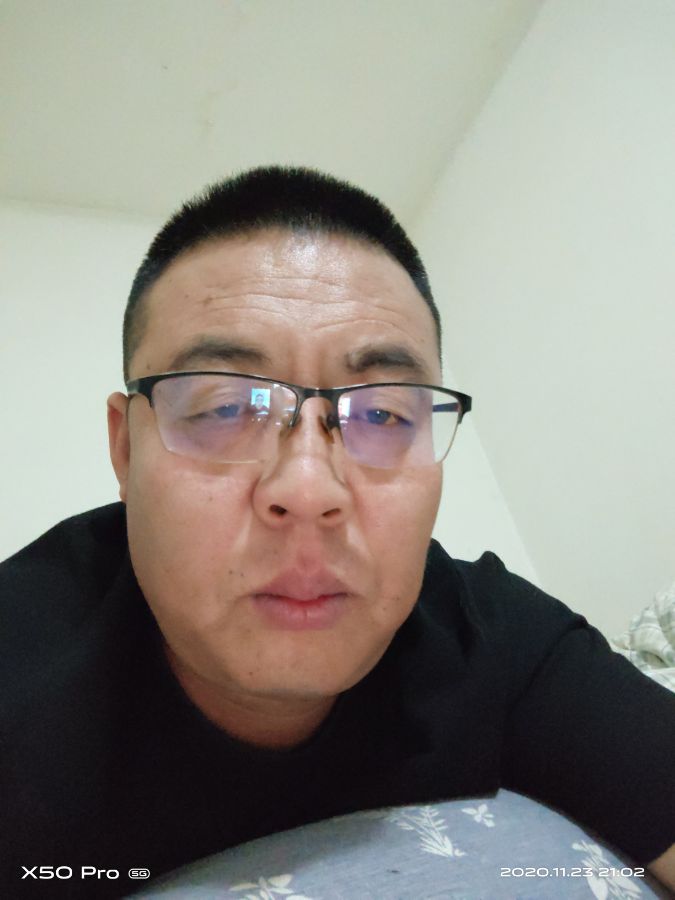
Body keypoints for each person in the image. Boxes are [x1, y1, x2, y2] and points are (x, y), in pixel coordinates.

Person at [1, 166, 673, 898]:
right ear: (126, 452)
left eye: (382, 414)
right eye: (224, 407)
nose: (308, 490)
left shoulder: (497, 638)